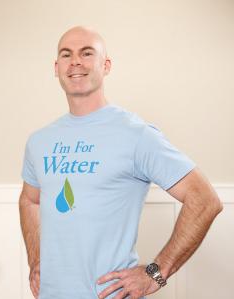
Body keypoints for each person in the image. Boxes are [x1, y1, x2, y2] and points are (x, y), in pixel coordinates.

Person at [18, 26, 223, 299]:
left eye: (87, 53)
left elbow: (205, 200)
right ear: (57, 68)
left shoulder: (136, 134)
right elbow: (29, 200)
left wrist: (155, 274)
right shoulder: (39, 141)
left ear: (107, 65)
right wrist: (35, 260)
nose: (75, 61)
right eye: (66, 55)